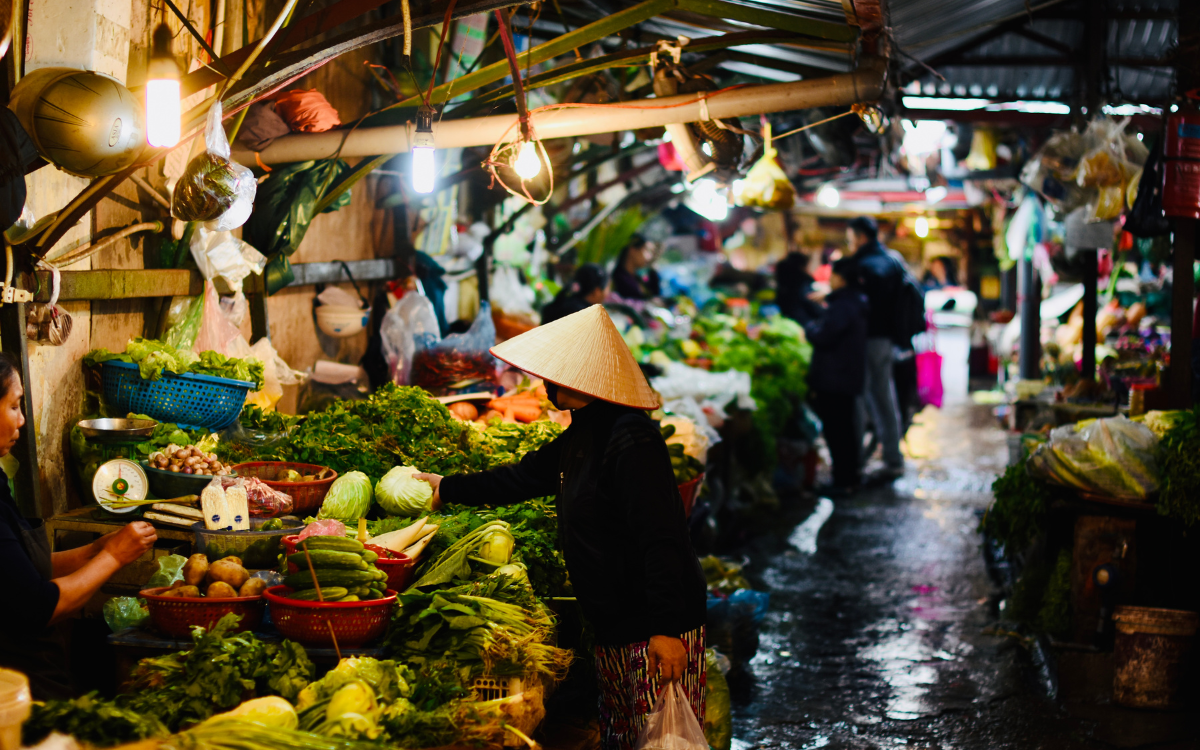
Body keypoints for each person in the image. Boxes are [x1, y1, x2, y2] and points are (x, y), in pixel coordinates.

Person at [415, 306, 706, 750]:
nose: (544, 384)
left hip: (650, 629)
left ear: (582, 378)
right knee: (627, 738)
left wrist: (665, 629)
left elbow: (661, 538)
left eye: (554, 375)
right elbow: (521, 478)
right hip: (614, 626)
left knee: (663, 740)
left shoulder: (631, 439)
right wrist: (446, 487)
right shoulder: (584, 433)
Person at [0, 354, 157, 699]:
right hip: (17, 689)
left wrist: (96, 549)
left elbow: (19, 572)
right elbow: (40, 606)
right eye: (13, 406)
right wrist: (113, 557)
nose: (22, 419)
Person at [844, 216, 905, 479]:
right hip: (887, 339)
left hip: (863, 339)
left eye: (850, 239)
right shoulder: (894, 260)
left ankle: (855, 462)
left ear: (860, 237)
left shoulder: (861, 265)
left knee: (857, 399)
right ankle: (893, 458)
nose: (850, 245)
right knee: (884, 398)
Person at [804, 258, 869, 497]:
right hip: (846, 376)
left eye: (833, 276)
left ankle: (843, 481)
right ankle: (849, 478)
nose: (830, 280)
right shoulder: (856, 301)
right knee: (846, 430)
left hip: (835, 377)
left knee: (838, 431)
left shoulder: (843, 305)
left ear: (841, 278)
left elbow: (824, 335)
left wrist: (810, 328)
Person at [542, 264, 608, 324]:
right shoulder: (587, 318)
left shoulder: (563, 302)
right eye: (607, 288)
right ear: (597, 291)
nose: (607, 293)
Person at [775, 249, 824, 326]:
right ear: (802, 266)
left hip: (786, 319)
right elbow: (810, 303)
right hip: (803, 322)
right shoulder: (803, 281)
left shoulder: (783, 277)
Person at [611, 234, 662, 301]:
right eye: (646, 250)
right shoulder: (619, 280)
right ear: (632, 250)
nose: (649, 257)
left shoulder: (641, 277)